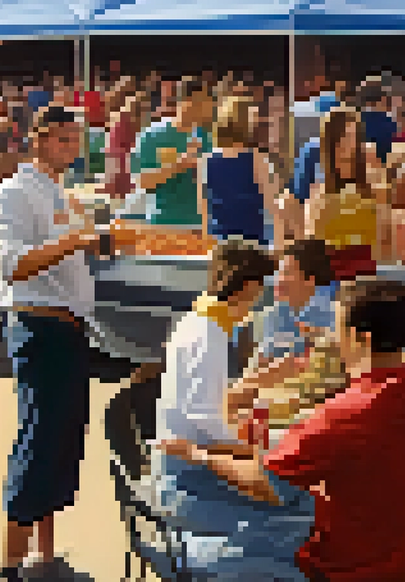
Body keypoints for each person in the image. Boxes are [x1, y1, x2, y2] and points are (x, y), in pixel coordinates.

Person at [175, 277, 405, 582]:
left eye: (337, 328)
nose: (333, 339)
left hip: (344, 566)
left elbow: (267, 483)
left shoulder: (346, 412)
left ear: (360, 339)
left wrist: (199, 455)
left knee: (193, 556)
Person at [0, 106, 118, 579]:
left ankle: (45, 555)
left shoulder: (62, 192)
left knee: (62, 442)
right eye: (62, 140)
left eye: (74, 140)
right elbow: (12, 265)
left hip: (69, 327)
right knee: (37, 442)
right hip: (38, 327)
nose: (71, 149)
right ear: (36, 139)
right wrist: (77, 240)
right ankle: (10, 565)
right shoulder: (9, 194)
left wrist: (95, 239)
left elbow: (74, 249)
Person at [148, 240, 317, 580]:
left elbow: (206, 405)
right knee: (297, 523)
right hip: (187, 485)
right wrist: (257, 454)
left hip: (180, 472)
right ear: (248, 288)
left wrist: (258, 381)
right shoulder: (208, 336)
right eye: (258, 293)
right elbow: (206, 423)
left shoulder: (198, 322)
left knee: (296, 509)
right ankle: (192, 560)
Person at [305, 108, 391, 282]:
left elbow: (385, 226)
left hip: (365, 268)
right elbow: (311, 231)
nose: (347, 144)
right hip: (330, 269)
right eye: (342, 137)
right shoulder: (318, 177)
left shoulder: (371, 173)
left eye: (352, 137)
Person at [130, 78, 214, 226]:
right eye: (204, 102)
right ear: (188, 101)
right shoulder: (152, 135)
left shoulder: (207, 138)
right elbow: (142, 181)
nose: (210, 108)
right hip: (163, 223)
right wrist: (179, 165)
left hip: (200, 225)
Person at [198, 96, 281, 244]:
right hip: (252, 240)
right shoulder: (257, 159)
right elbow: (273, 205)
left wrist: (207, 240)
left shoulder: (206, 160)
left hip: (220, 240)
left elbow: (204, 208)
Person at [252, 239, 337, 366]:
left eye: (287, 273)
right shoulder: (275, 315)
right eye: (278, 273)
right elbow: (264, 362)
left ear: (310, 280)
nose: (278, 280)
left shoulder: (334, 315)